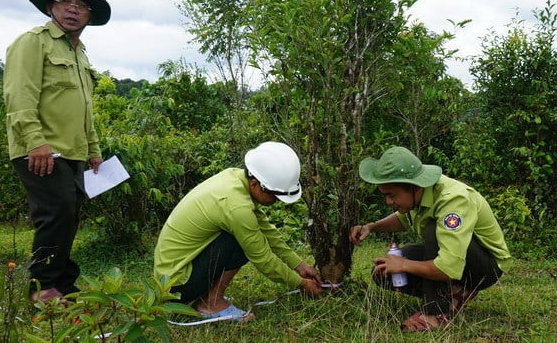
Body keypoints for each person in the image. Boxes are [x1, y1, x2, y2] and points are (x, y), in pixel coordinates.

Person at [3, 0, 111, 303]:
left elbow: (84, 108)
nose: (72, 9)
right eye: (65, 2)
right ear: (51, 7)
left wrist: (93, 151)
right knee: (57, 212)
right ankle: (42, 289)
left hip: (73, 152)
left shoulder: (80, 53)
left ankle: (62, 284)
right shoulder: (33, 42)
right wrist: (36, 142)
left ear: (89, 15)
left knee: (68, 216)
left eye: (80, 5)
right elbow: (19, 95)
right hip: (40, 148)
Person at [154, 141, 323, 322]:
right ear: (255, 184)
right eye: (274, 195)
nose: (277, 200)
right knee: (239, 241)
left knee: (244, 235)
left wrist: (299, 265)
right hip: (174, 287)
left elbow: (266, 230)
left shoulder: (234, 179)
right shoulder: (236, 207)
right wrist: (300, 283)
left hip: (172, 274)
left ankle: (207, 297)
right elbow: (263, 258)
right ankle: (211, 304)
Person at [350, 146, 511, 332]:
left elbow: (447, 267)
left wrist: (403, 265)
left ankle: (434, 313)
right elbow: (403, 219)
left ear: (415, 187)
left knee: (432, 229)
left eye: (391, 195)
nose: (388, 202)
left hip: (486, 267)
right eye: (385, 195)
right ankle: (456, 292)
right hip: (455, 260)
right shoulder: (418, 195)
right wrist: (371, 227)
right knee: (384, 273)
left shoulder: (453, 201)